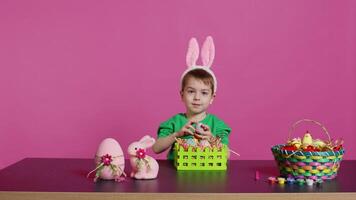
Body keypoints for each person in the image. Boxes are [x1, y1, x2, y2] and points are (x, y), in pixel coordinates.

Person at [152, 36, 231, 159]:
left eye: (204, 93)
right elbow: (156, 148)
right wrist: (177, 134)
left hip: (208, 175)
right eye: (191, 91)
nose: (197, 98)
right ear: (182, 95)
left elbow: (226, 155)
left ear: (212, 98)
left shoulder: (218, 125)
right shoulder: (174, 122)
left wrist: (210, 138)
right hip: (176, 174)